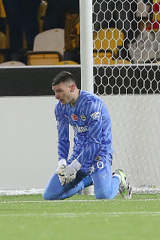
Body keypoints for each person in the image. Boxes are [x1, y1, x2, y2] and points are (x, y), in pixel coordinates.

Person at [43, 71, 132, 201]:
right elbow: (63, 139)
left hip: (99, 152)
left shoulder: (92, 104)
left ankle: (118, 177)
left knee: (104, 196)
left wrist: (73, 167)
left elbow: (95, 142)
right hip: (79, 153)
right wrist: (62, 162)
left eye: (59, 91)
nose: (56, 96)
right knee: (50, 196)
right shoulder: (60, 108)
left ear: (72, 88)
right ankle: (87, 180)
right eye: (55, 92)